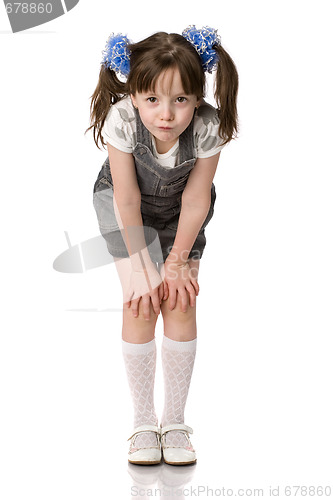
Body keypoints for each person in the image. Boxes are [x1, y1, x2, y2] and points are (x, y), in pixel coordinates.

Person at [87, 26, 238, 465]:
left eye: (181, 100)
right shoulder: (122, 119)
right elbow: (126, 196)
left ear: (197, 96)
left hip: (180, 214)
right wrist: (140, 264)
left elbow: (196, 198)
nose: (166, 114)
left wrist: (176, 262)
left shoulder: (209, 127)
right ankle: (141, 425)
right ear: (134, 95)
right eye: (152, 99)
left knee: (180, 300)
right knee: (141, 299)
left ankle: (174, 423)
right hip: (122, 207)